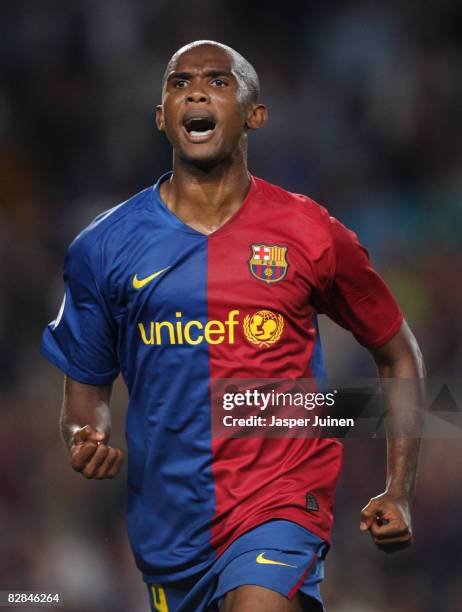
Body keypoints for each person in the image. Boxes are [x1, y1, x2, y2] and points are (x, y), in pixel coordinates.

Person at [41, 40, 424, 612]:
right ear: (161, 117)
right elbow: (86, 390)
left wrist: (399, 489)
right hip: (170, 532)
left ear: (255, 114)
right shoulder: (102, 248)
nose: (196, 91)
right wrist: (84, 438)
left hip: (280, 506)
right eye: (179, 82)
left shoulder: (311, 233)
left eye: (219, 81)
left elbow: (397, 354)